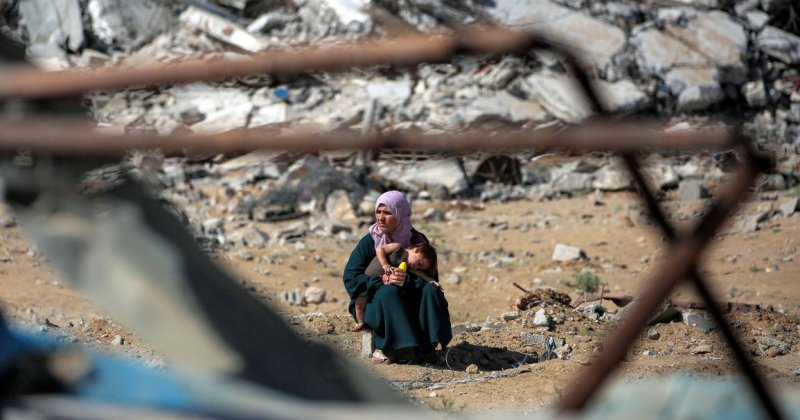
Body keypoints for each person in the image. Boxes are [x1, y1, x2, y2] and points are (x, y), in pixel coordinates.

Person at [343, 191, 452, 364]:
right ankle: (390, 347)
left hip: (409, 297)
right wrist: (382, 280)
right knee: (390, 293)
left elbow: (430, 277)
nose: (380, 218)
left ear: (401, 214)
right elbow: (351, 277)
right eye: (378, 212)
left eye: (387, 213)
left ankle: (427, 346)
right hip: (371, 301)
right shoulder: (370, 241)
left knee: (432, 290)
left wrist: (406, 280)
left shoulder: (418, 242)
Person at [351, 242, 439, 332]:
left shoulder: (407, 265)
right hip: (367, 280)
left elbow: (419, 273)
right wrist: (385, 264)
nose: (416, 267)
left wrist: (430, 280)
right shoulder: (398, 248)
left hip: (377, 283)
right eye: (419, 263)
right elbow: (380, 249)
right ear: (418, 250)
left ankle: (364, 323)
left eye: (419, 267)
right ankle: (360, 322)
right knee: (359, 304)